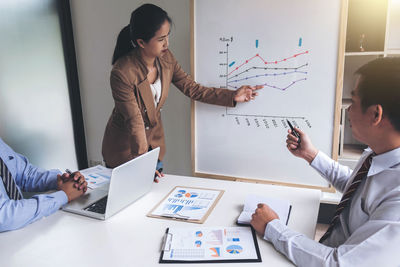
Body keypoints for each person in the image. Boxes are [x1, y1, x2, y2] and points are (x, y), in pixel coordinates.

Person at [250, 57, 400, 266]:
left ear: (376, 114)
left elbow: (338, 263)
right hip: (328, 245)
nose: (348, 109)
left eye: (353, 101)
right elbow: (358, 188)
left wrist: (272, 227)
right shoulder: (379, 154)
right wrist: (310, 154)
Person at [102, 4, 262, 179]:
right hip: (125, 151)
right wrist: (143, 165)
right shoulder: (122, 73)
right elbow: (135, 121)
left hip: (153, 146)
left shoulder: (166, 58)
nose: (167, 43)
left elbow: (191, 88)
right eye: (161, 39)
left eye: (168, 36)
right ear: (141, 42)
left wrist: (232, 96)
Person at [0, 137, 88, 232]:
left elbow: (25, 173)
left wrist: (62, 181)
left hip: (22, 229)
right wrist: (64, 195)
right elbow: (4, 217)